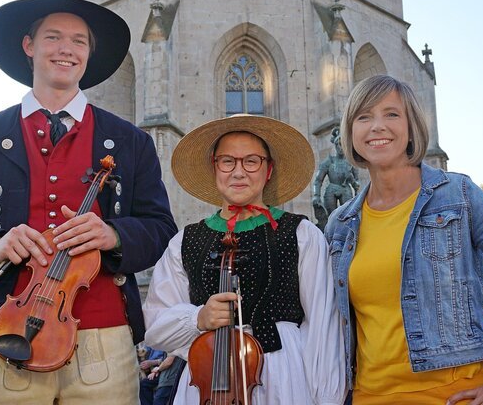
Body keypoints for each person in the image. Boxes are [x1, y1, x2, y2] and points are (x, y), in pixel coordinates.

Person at [0, 0, 177, 404]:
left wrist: (112, 234)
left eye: (79, 41)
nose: (66, 49)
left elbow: (161, 229)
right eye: (53, 37)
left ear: (89, 54)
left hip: (103, 340)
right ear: (29, 46)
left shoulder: (132, 141)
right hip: (3, 334)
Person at [324, 75, 483, 405]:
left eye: (391, 114)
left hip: (460, 395)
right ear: (350, 131)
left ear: (411, 126)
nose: (376, 126)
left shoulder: (457, 194)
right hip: (369, 397)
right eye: (364, 116)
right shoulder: (341, 223)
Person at [144, 114, 346, 404]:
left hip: (284, 379)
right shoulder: (184, 241)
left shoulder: (302, 234)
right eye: (228, 161)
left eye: (251, 161)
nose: (238, 172)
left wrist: (327, 398)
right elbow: (156, 326)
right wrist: (197, 318)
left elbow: (324, 329)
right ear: (215, 168)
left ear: (268, 169)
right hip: (209, 381)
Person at [312, 126, 360, 229]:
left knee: (348, 214)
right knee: (331, 217)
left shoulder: (351, 163)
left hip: (345, 188)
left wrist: (352, 180)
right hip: (332, 188)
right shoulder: (328, 162)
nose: (340, 147)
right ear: (335, 145)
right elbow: (318, 180)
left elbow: (357, 183)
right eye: (338, 144)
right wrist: (316, 195)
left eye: (342, 144)